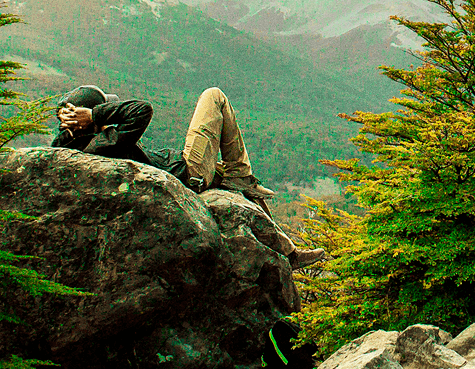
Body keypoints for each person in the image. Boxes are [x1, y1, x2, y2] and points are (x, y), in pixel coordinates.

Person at [52, 84, 325, 269]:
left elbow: (57, 147)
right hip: (190, 173)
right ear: (92, 122)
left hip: (183, 169)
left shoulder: (78, 147)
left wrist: (71, 126)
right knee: (214, 96)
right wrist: (93, 114)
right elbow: (141, 110)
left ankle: (288, 251)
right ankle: (244, 179)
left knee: (237, 180)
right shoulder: (106, 142)